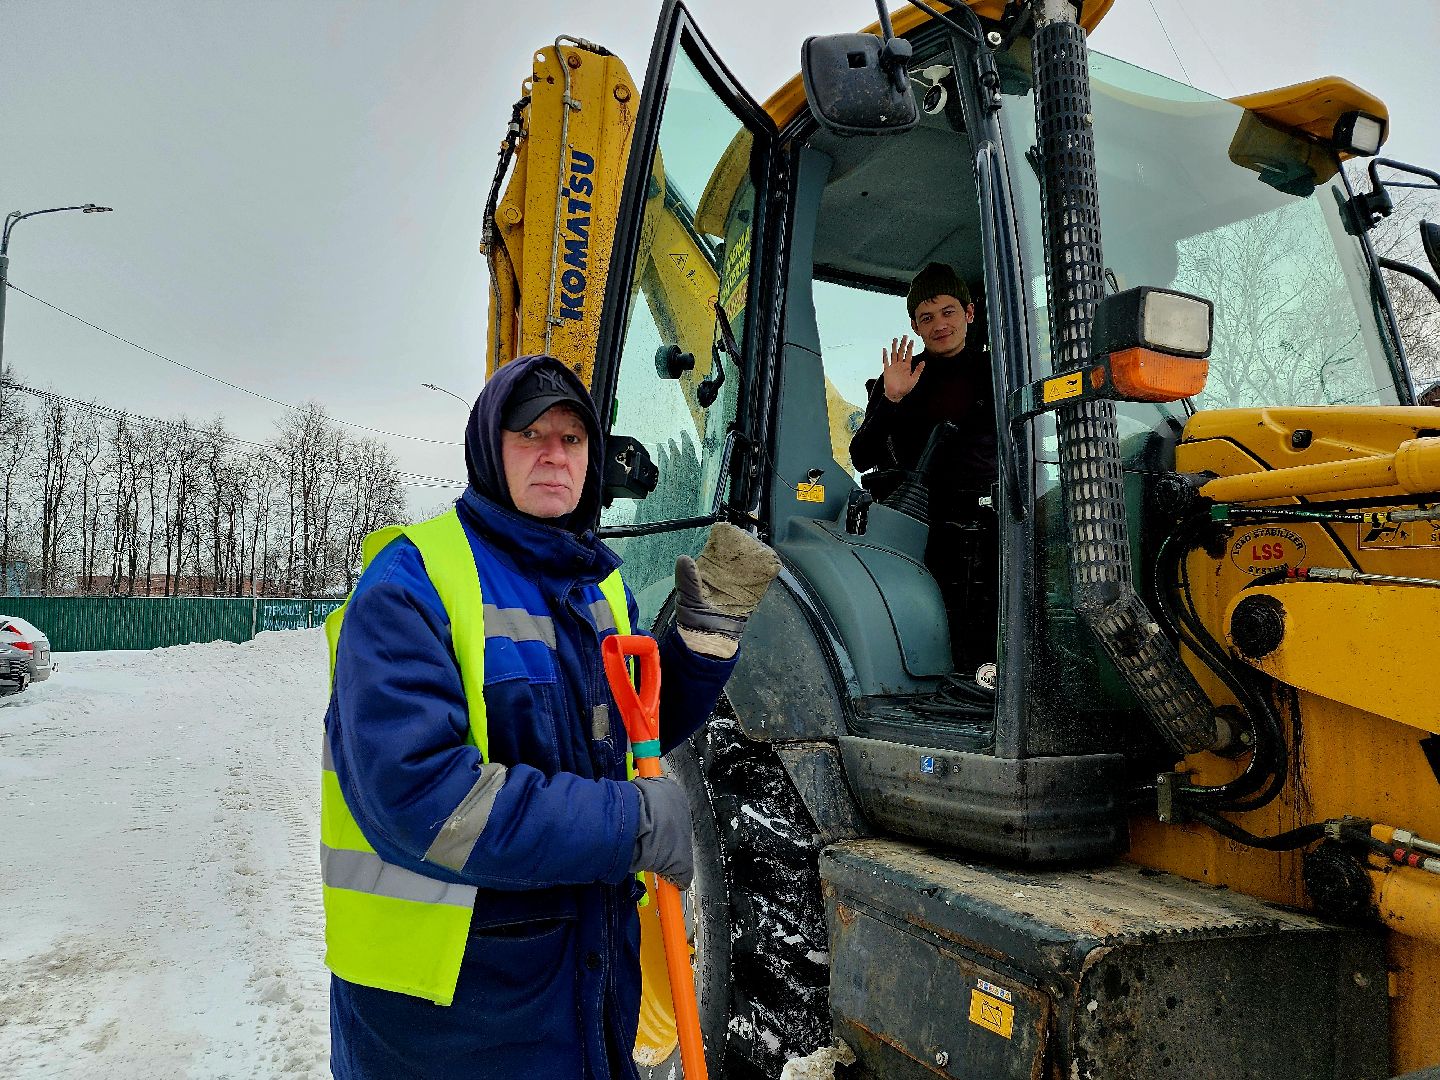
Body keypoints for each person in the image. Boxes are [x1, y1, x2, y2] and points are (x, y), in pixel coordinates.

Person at [321, 352, 778, 1079]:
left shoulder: (598, 588)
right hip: (452, 1027)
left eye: (571, 438)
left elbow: (633, 738)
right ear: (488, 449)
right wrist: (629, 824)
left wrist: (700, 645)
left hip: (581, 998)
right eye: (530, 435)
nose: (553, 456)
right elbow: (425, 802)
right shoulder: (413, 584)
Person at [848, 262, 998, 668]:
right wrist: (892, 399)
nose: (939, 324)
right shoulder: (899, 378)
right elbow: (861, 455)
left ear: (969, 313)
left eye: (948, 312)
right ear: (915, 327)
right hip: (919, 528)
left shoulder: (998, 373)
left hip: (990, 526)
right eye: (926, 317)